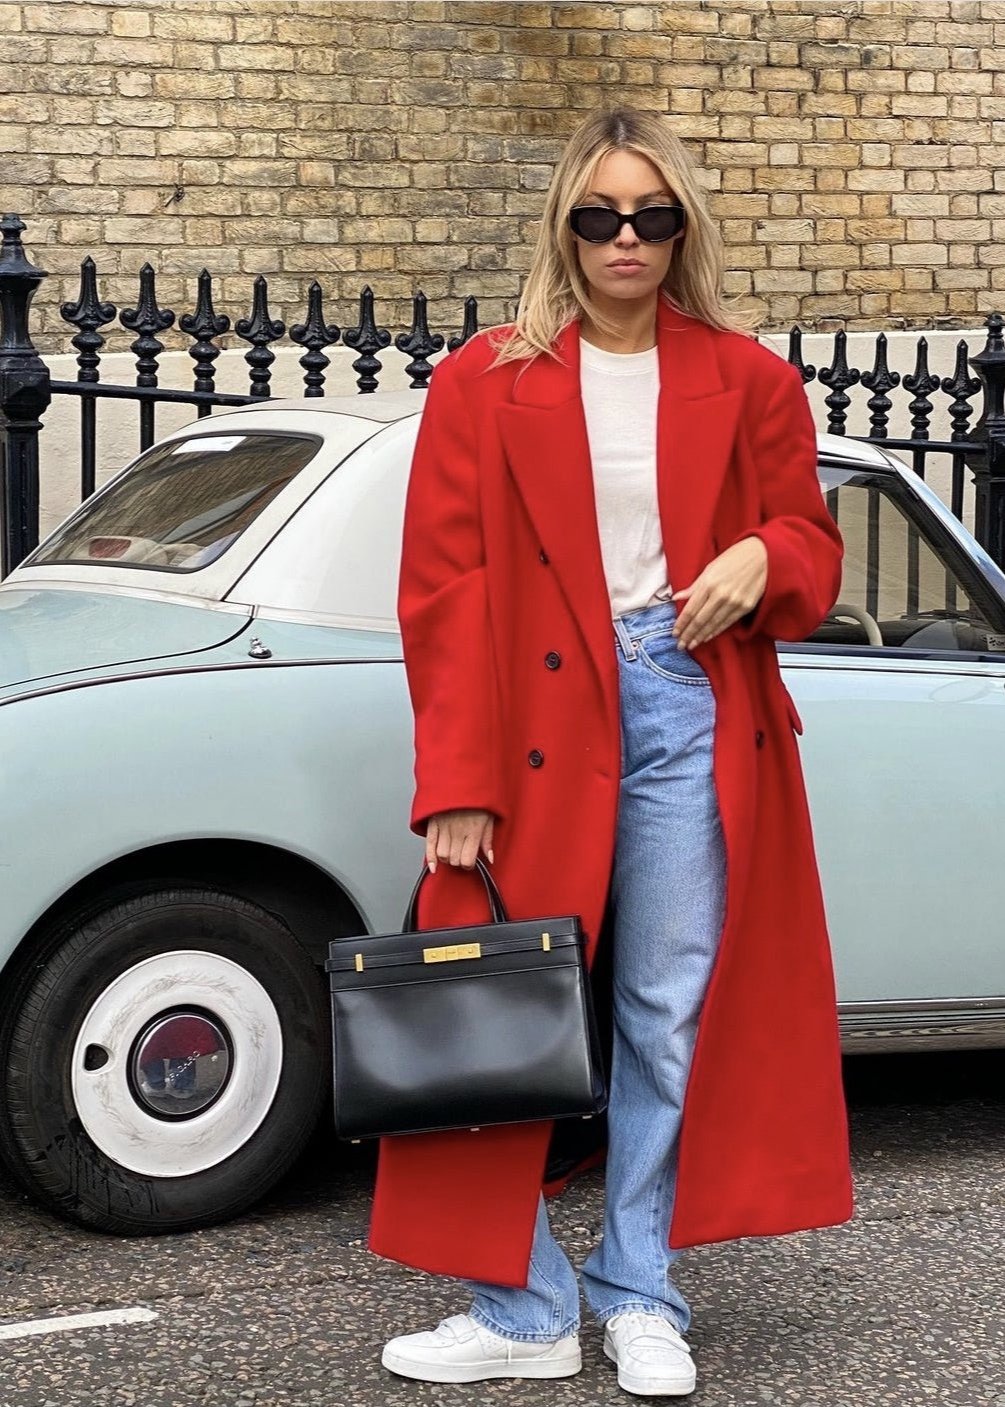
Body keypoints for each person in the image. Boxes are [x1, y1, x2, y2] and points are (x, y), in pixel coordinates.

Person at [374, 104, 854, 1397]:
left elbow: (808, 541)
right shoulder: (483, 379)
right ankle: (523, 1305)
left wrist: (764, 554)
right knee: (498, 1010)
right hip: (536, 722)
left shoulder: (747, 377)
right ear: (564, 231)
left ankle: (640, 1288)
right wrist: (454, 786)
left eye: (650, 215)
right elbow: (444, 591)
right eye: (598, 216)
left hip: (687, 704)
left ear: (679, 227)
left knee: (661, 1012)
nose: (624, 238)